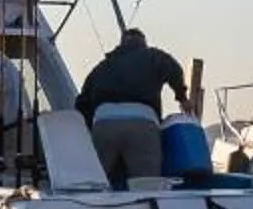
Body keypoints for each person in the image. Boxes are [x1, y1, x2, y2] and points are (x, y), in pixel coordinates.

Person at [74, 28, 189, 187]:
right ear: (143, 43)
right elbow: (173, 69)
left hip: (104, 123)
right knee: (147, 186)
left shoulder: (102, 66)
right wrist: (182, 97)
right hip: (142, 123)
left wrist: (91, 128)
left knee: (95, 184)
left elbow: (81, 103)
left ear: (121, 44)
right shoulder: (153, 56)